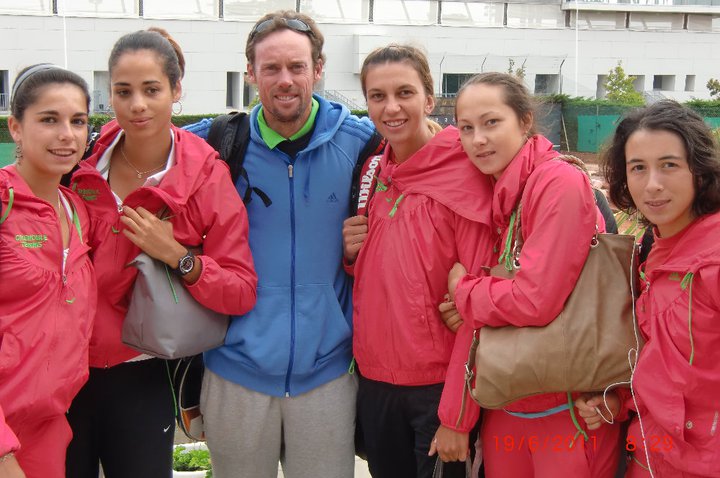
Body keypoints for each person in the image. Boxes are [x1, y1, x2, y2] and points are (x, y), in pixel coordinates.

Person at [184, 11, 381, 478]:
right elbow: (138, 149)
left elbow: (434, 163)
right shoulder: (214, 144)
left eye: (297, 66)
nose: (285, 80)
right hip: (235, 372)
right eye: (271, 68)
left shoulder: (362, 143)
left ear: (318, 68)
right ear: (250, 73)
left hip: (327, 376)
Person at [65, 28, 257, 478]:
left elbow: (241, 291)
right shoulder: (78, 162)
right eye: (123, 91)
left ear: (176, 91)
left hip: (141, 372)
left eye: (152, 90)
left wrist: (178, 256)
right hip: (63, 372)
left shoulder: (207, 177)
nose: (137, 105)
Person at [440, 72, 622, 477]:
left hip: (567, 407)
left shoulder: (557, 183)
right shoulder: (501, 190)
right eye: (466, 128)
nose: (478, 139)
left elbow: (534, 300)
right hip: (511, 400)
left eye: (491, 122)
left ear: (524, 121)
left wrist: (463, 291)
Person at [342, 44, 494, 478]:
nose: (391, 108)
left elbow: (482, 286)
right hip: (375, 377)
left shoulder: (466, 170)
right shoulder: (375, 169)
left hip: (438, 385)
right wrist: (352, 255)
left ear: (429, 99)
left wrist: (458, 415)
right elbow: (391, 265)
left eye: (405, 93)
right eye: (377, 96)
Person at [588, 100, 720, 477]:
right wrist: (619, 402)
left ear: (699, 169)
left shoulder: (712, 259)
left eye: (669, 165)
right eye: (638, 168)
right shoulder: (651, 250)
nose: (653, 185)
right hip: (649, 456)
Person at [0, 64, 96, 478]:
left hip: (47, 429)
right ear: (15, 128)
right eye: (49, 120)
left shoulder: (77, 211)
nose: (67, 135)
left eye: (78, 121)